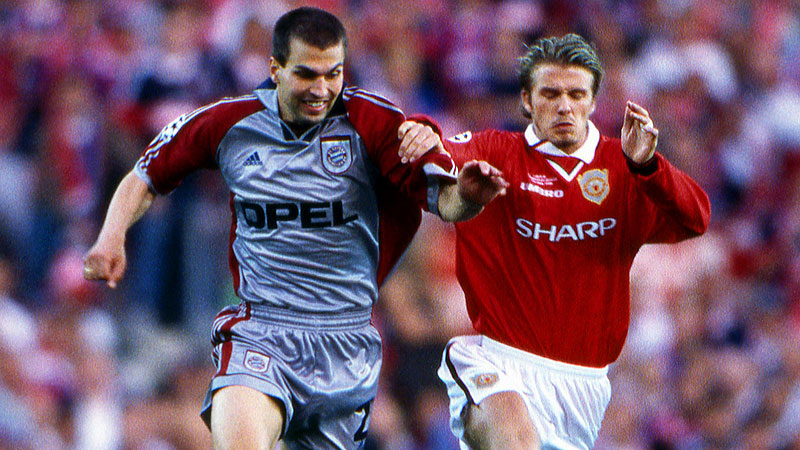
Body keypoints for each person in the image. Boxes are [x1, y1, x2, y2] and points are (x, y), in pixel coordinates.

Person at [82, 7, 507, 450]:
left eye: (332, 74)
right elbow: (145, 175)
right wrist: (111, 236)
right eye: (306, 74)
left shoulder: (374, 123)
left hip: (345, 343)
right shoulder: (231, 122)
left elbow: (445, 203)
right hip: (262, 330)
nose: (321, 90)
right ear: (275, 69)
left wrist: (470, 195)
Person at [401, 33, 711, 449]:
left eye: (576, 94)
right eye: (550, 93)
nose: (564, 105)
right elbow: (438, 151)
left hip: (583, 387)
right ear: (527, 100)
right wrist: (423, 132)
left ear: (593, 101)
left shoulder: (624, 168)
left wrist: (649, 167)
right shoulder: (497, 151)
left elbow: (696, 218)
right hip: (498, 360)